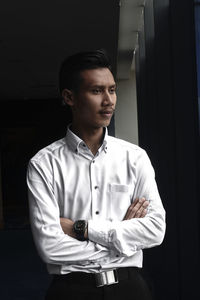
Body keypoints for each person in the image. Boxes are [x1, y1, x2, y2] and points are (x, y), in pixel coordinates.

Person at [27, 49, 166, 300]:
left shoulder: (134, 158)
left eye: (112, 90)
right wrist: (122, 240)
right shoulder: (43, 164)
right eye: (96, 91)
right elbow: (50, 247)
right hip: (70, 292)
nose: (109, 100)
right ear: (70, 97)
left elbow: (155, 230)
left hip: (130, 290)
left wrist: (83, 229)